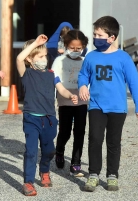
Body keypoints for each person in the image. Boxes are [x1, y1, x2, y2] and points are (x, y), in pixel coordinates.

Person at [78, 16, 138, 192]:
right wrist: (82, 86)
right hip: (96, 106)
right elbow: (83, 75)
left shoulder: (123, 58)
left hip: (117, 108)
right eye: (94, 34)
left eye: (99, 35)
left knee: (113, 142)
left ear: (112, 38)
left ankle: (112, 176)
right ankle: (93, 175)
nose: (95, 38)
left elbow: (134, 84)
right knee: (95, 139)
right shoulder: (91, 56)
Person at [16, 34, 78, 196]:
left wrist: (69, 95)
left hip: (49, 119)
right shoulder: (26, 73)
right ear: (30, 59)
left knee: (49, 150)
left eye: (45, 56)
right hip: (31, 118)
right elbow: (19, 58)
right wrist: (35, 42)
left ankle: (44, 171)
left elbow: (61, 88)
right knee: (31, 151)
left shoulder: (51, 74)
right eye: (40, 56)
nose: (44, 59)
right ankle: (28, 182)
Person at [51, 29, 89, 177]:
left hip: (81, 100)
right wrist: (64, 93)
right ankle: (59, 151)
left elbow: (90, 79)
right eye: (72, 48)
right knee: (65, 131)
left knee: (80, 131)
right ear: (66, 45)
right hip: (65, 99)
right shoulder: (59, 60)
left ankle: (76, 162)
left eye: (79, 48)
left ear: (84, 47)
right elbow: (55, 78)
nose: (75, 51)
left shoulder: (85, 61)